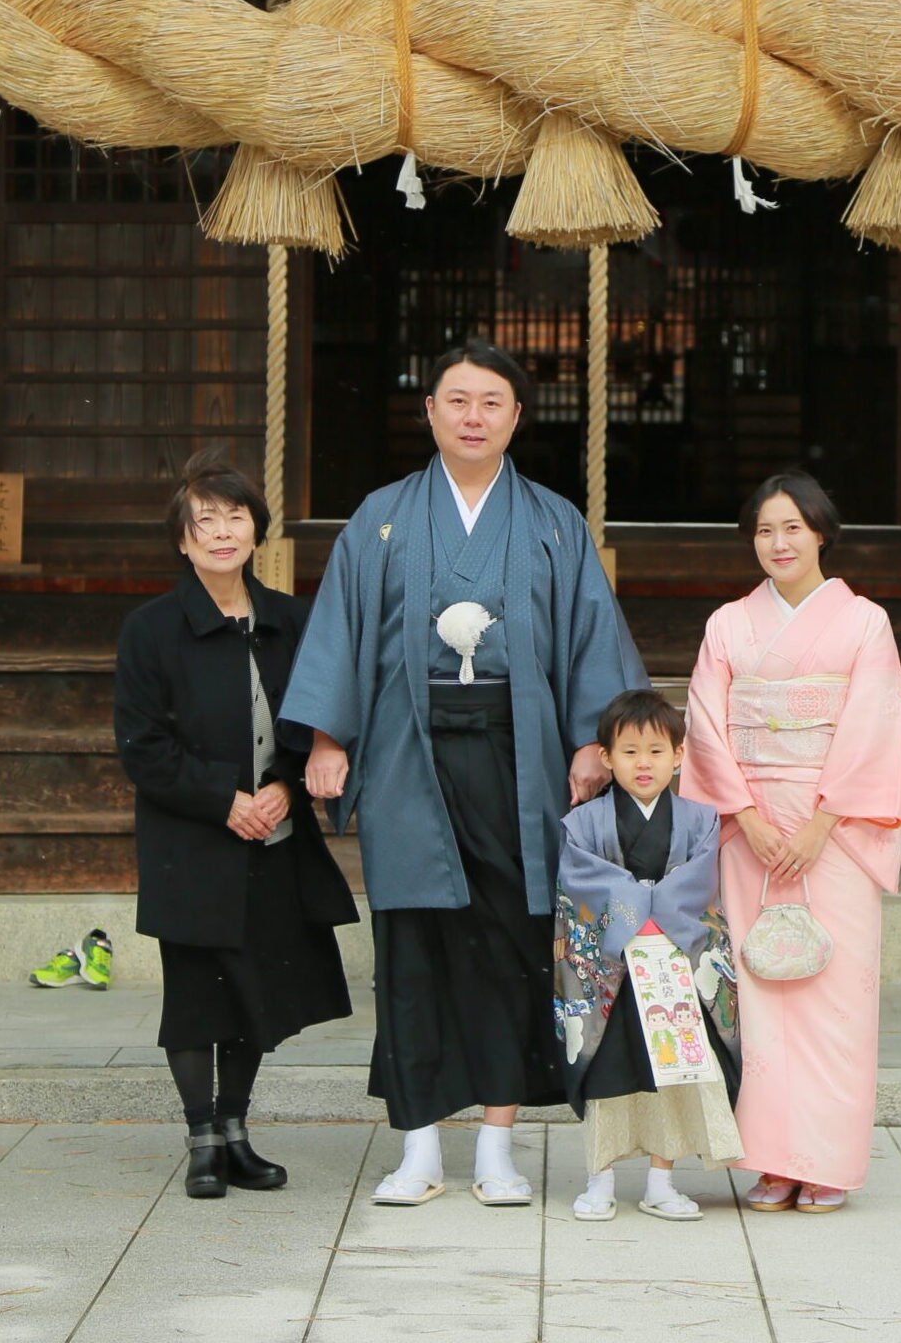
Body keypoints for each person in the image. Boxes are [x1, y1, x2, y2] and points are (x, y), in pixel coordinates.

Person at [282, 339, 647, 1207]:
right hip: (405, 749)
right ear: (430, 412)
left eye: (491, 402)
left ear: (516, 417)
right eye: (457, 400)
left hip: (521, 758)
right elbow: (338, 630)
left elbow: (590, 636)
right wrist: (327, 738)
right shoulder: (380, 518)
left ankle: (495, 1145)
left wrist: (590, 742)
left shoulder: (554, 521)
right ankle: (417, 1146)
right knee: (411, 944)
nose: (473, 416)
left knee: (510, 943)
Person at [115, 452, 358, 1199]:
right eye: (205, 521)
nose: (222, 532)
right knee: (196, 995)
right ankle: (201, 1140)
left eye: (235, 517)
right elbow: (143, 747)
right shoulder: (151, 630)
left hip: (273, 840)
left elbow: (321, 722)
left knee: (255, 990)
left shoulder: (292, 620)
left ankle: (235, 1132)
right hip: (191, 841)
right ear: (182, 540)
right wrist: (224, 801)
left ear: (256, 530)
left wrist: (286, 787)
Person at [679, 470, 901, 1214]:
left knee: (834, 997)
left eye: (792, 529)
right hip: (748, 830)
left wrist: (819, 824)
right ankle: (772, 1161)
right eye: (764, 531)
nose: (778, 543)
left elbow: (873, 726)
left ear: (820, 534)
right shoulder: (727, 625)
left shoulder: (864, 623)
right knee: (757, 998)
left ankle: (827, 1161)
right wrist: (744, 816)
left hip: (834, 831)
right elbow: (705, 724)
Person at [554, 688, 740, 1224]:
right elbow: (583, 884)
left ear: (679, 756)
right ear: (606, 757)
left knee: (672, 1072)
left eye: (657, 751)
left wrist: (650, 914)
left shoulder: (701, 819)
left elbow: (698, 884)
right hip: (613, 968)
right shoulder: (582, 824)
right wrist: (642, 913)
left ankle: (662, 1181)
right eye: (629, 751)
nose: (644, 763)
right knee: (607, 1074)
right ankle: (599, 1180)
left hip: (673, 962)